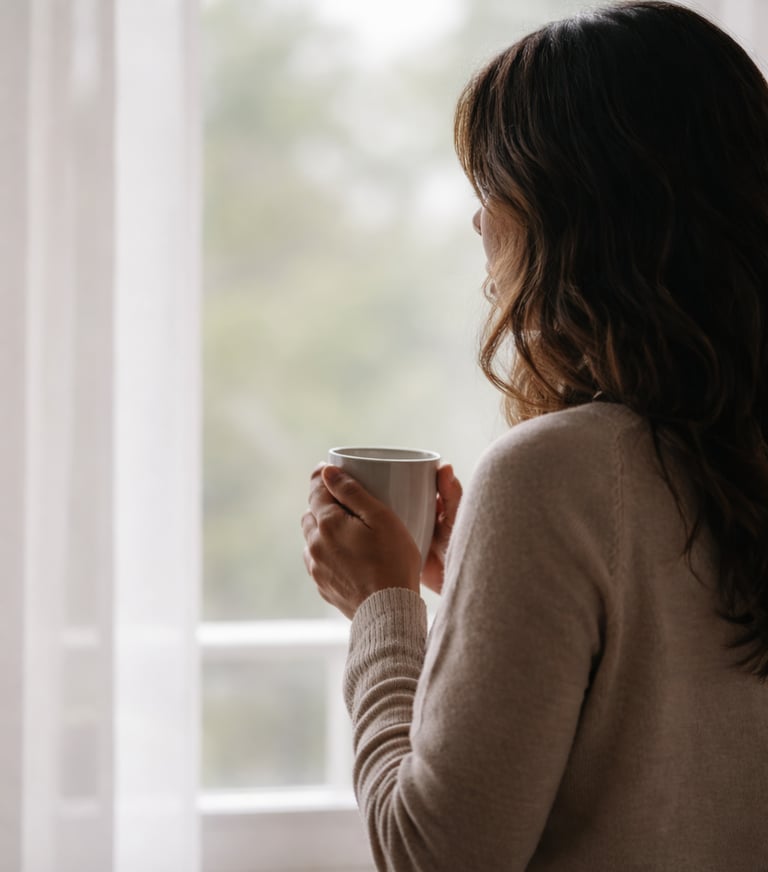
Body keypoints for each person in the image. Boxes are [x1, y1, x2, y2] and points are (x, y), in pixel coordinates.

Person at [300, 1, 768, 869]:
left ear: (579, 210)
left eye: (494, 189)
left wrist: (380, 610)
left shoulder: (556, 471)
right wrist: (481, 592)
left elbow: (434, 855)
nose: (480, 223)